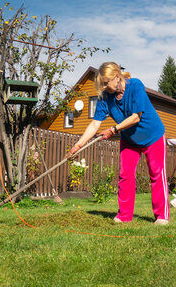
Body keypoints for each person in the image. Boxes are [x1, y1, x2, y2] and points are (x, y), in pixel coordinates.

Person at [67, 62, 169, 225]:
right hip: (130, 139)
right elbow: (94, 124)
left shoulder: (135, 85)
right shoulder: (105, 97)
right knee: (125, 175)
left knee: (157, 174)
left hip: (153, 136)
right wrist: (77, 146)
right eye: (103, 84)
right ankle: (124, 215)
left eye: (107, 83)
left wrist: (113, 129)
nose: (105, 87)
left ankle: (161, 216)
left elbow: (136, 117)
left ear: (117, 76)